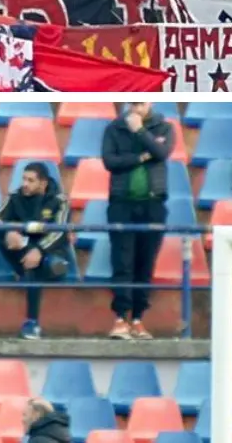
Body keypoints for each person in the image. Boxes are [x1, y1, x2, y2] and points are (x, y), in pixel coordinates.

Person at [101, 101, 174, 340]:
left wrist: (140, 132)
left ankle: (138, 319)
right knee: (122, 262)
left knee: (145, 263)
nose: (135, 108)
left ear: (150, 103)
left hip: (153, 205)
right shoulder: (115, 128)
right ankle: (120, 318)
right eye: (132, 103)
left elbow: (162, 153)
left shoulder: (164, 127)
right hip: (121, 204)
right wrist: (143, 155)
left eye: (140, 104)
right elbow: (110, 162)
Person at [0, 163, 73, 340]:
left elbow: (60, 231)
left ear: (43, 183)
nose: (25, 184)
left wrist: (39, 251)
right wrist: (8, 232)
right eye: (24, 179)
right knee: (2, 240)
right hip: (24, 249)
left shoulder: (59, 200)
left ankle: (32, 322)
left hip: (50, 249)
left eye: (30, 180)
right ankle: (32, 324)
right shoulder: (15, 197)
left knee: (36, 265)